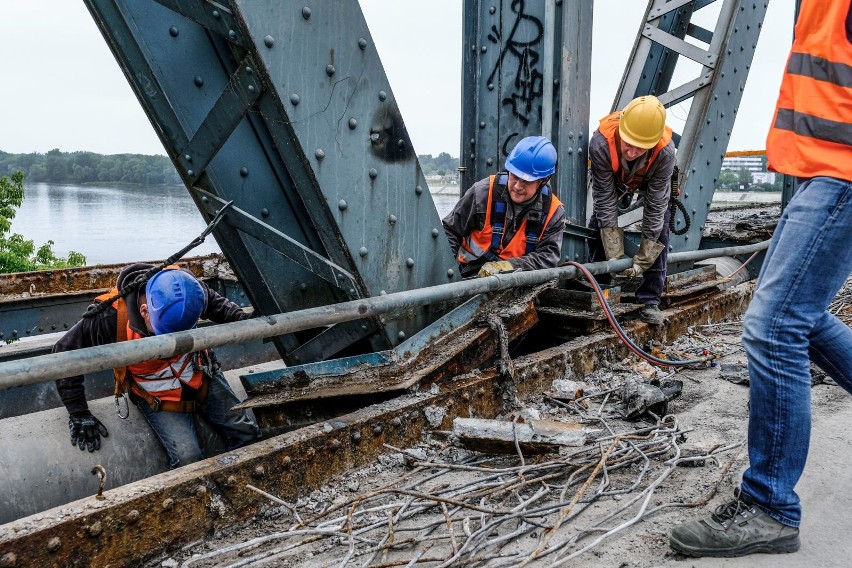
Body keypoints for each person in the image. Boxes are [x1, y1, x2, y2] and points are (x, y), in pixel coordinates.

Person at [669, 0, 852, 557]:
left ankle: (770, 505)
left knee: (774, 327)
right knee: (798, 316)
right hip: (817, 167)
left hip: (841, 171)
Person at [54, 264, 261, 468]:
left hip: (200, 375)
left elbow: (226, 311)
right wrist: (79, 412)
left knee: (246, 432)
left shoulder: (189, 292)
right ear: (144, 311)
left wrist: (251, 322)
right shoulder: (110, 317)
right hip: (156, 395)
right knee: (187, 457)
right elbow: (63, 351)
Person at [587, 95, 676, 325]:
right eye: (628, 144)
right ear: (620, 131)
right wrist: (613, 250)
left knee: (661, 229)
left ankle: (649, 300)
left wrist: (647, 250)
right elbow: (605, 197)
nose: (633, 151)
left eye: (640, 148)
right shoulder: (600, 142)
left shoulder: (664, 152)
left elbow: (656, 203)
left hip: (648, 179)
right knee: (599, 224)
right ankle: (600, 289)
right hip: (616, 178)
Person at [442, 136, 565, 278]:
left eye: (526, 181)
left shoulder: (553, 212)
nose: (518, 186)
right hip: (466, 276)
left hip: (516, 284)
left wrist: (508, 266)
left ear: (544, 181)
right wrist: (447, 275)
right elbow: (450, 231)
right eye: (515, 176)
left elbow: (547, 258)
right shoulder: (482, 193)